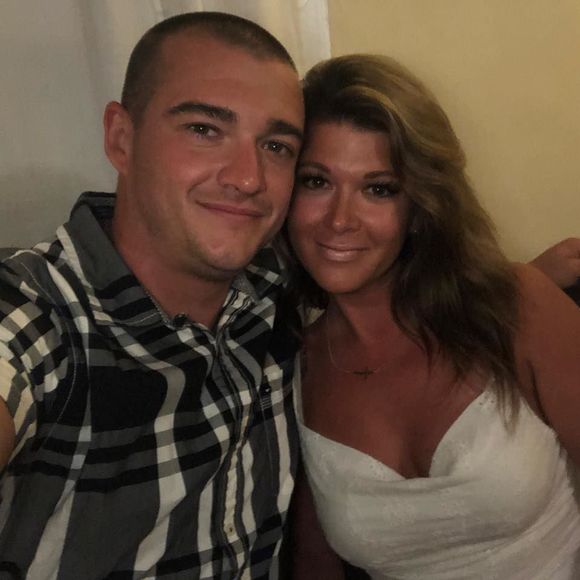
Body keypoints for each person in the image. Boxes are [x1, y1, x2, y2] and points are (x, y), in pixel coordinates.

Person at [0, 12, 304, 579]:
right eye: (204, 129)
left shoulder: (278, 296)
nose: (248, 178)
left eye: (277, 146)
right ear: (122, 138)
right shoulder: (38, 311)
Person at [285, 54, 580, 579]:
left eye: (378, 188)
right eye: (316, 181)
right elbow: (314, 565)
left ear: (419, 206)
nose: (340, 220)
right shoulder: (291, 366)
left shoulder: (518, 305)